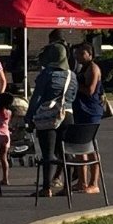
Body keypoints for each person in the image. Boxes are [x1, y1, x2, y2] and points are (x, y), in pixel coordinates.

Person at [27, 44, 77, 197]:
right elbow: (73, 96)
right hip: (68, 114)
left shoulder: (47, 74)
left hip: (49, 115)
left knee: (48, 153)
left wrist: (29, 117)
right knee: (65, 152)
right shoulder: (72, 75)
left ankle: (46, 187)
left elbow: (37, 97)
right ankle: (67, 187)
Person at [69, 43, 104, 193]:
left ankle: (94, 183)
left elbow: (90, 90)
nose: (78, 56)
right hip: (80, 111)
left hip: (91, 113)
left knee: (91, 147)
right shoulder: (82, 68)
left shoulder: (93, 68)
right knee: (80, 147)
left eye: (82, 53)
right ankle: (81, 182)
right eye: (77, 54)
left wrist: (75, 85)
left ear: (90, 54)